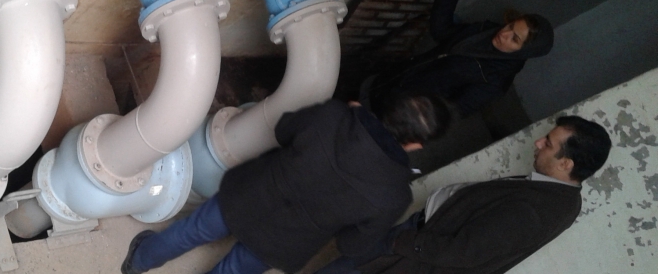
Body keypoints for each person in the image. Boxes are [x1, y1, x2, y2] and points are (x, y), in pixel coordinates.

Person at [120, 93, 452, 274]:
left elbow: (284, 129)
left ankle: (139, 262)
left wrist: (346, 114)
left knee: (192, 231)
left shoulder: (334, 115)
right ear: (416, 144)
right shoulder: (394, 195)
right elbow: (352, 245)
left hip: (250, 194)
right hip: (286, 242)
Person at [316, 115, 612, 274]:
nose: (537, 143)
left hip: (411, 254)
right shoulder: (562, 196)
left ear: (565, 164)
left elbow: (465, 252)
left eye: (548, 143)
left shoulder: (537, 210)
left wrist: (403, 242)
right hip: (418, 242)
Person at [363, 0, 555, 117]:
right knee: (363, 91)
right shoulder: (485, 30)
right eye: (510, 26)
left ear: (522, 53)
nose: (504, 33)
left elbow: (455, 111)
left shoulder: (495, 81)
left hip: (403, 107)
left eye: (514, 39)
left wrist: (411, 114)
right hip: (398, 75)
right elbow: (443, 33)